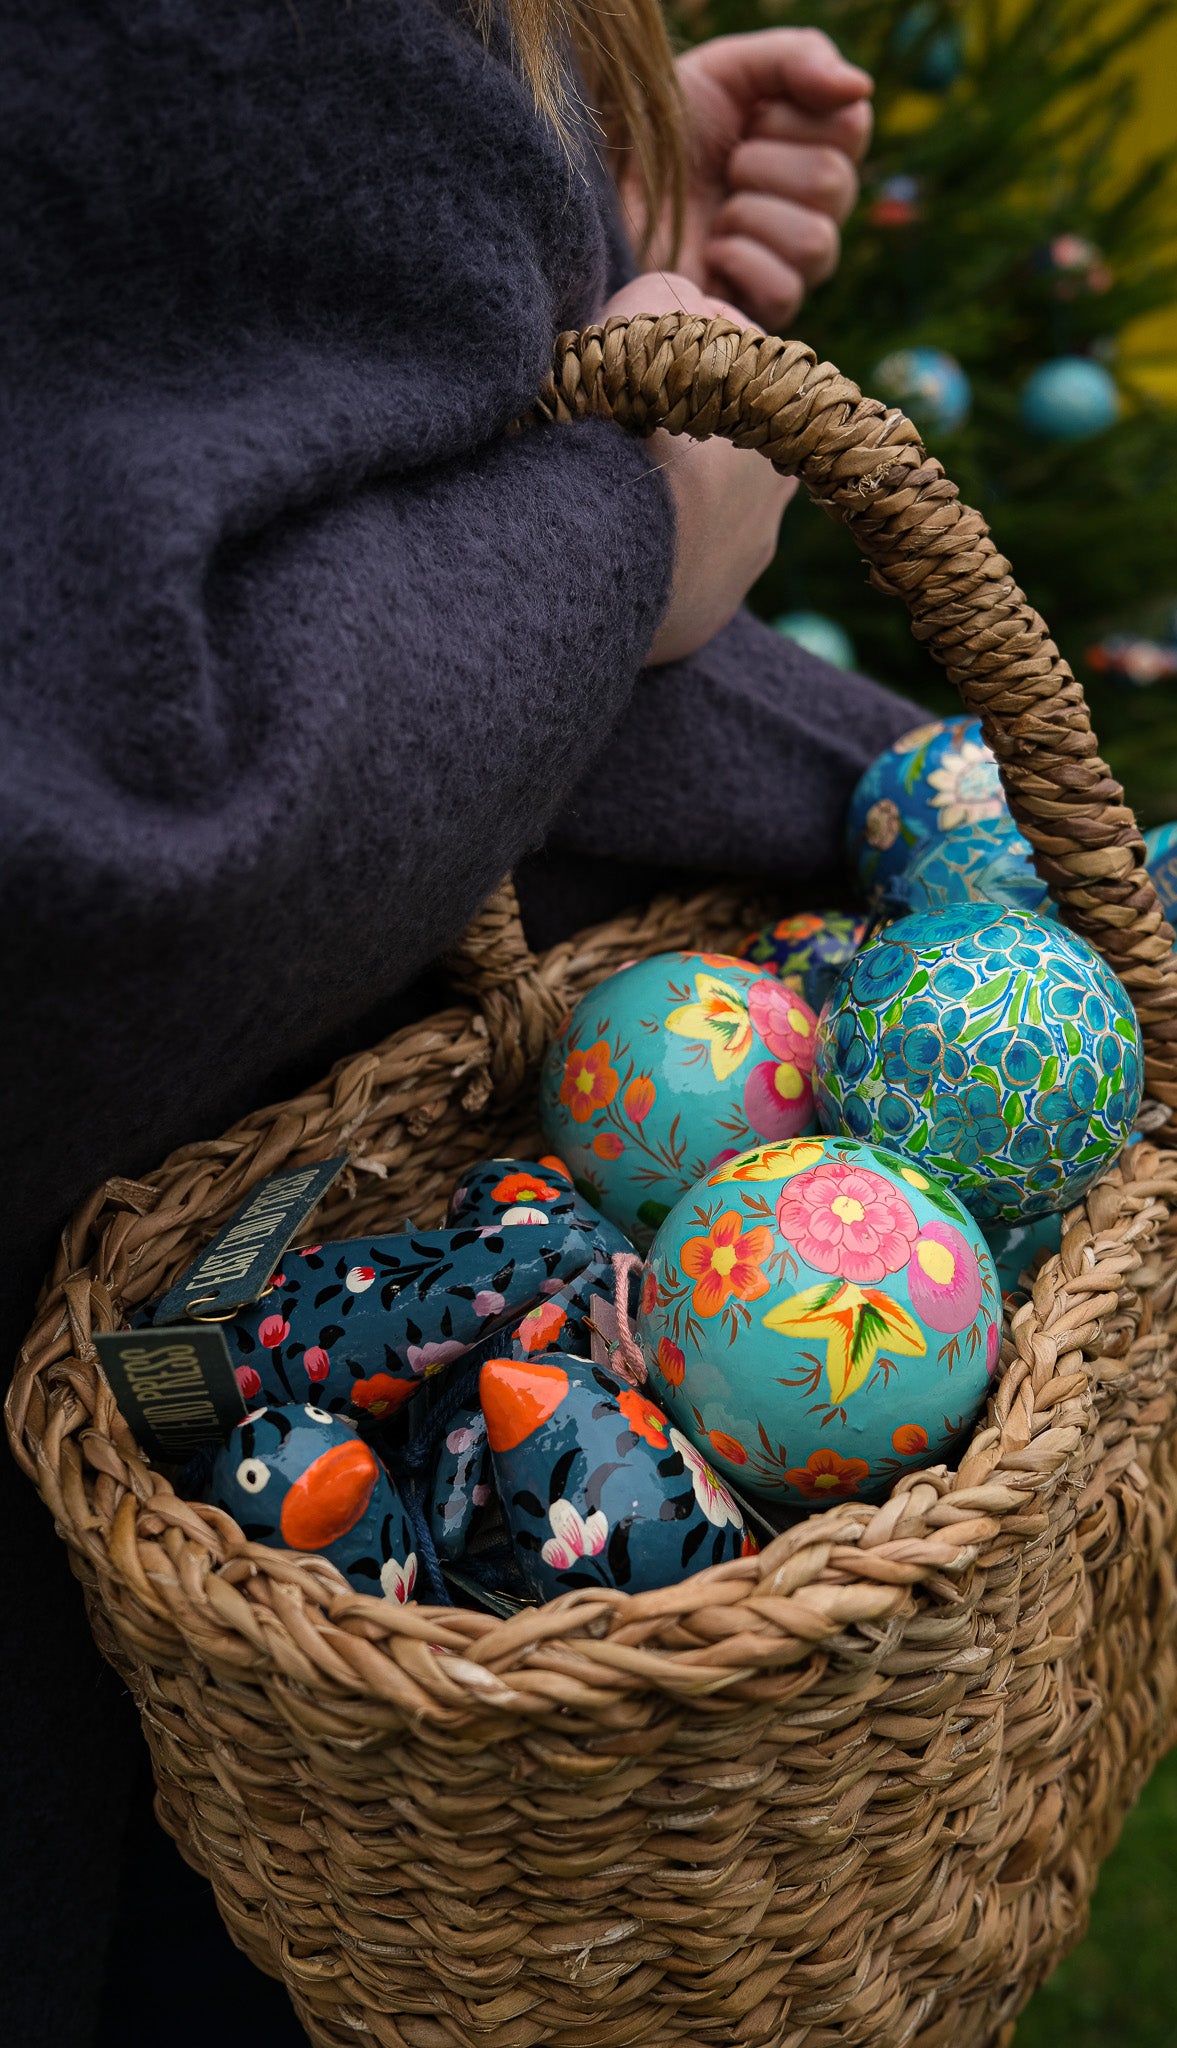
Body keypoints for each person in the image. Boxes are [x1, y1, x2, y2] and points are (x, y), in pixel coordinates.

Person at [0, 2, 928, 2039]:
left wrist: (545, 199)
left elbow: (129, 332)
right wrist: (630, 537)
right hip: (199, 1659)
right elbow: (93, 846)